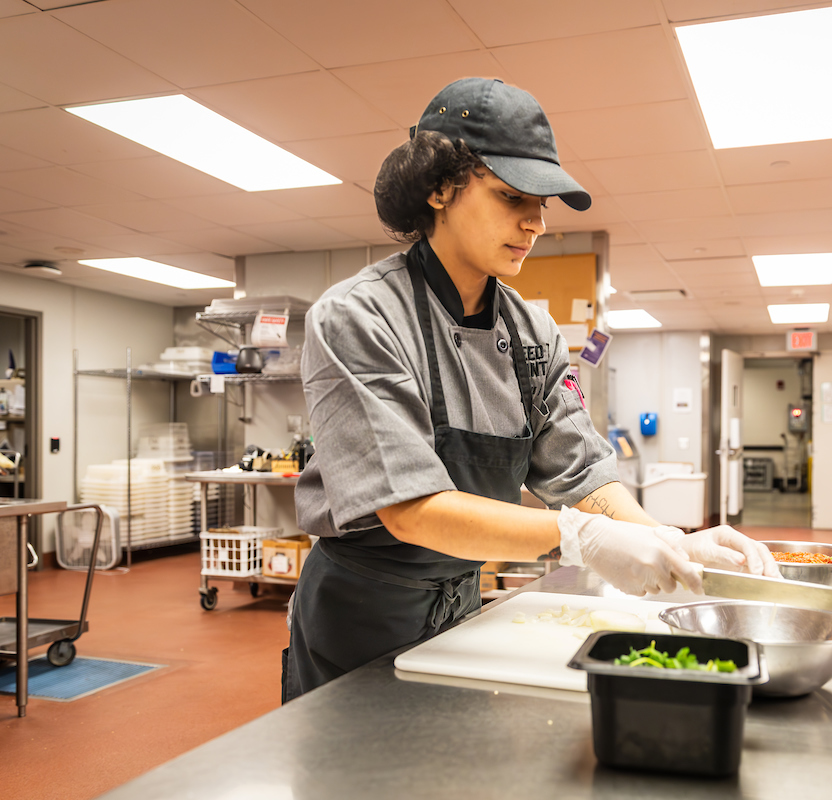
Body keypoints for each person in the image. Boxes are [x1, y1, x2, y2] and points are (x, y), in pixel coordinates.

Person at [284, 77, 779, 701]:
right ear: (439, 188)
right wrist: (578, 537)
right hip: (359, 618)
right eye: (512, 196)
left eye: (543, 204)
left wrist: (665, 540)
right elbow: (409, 508)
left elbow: (580, 473)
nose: (537, 223)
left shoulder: (531, 332)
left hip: (459, 607)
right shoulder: (358, 317)